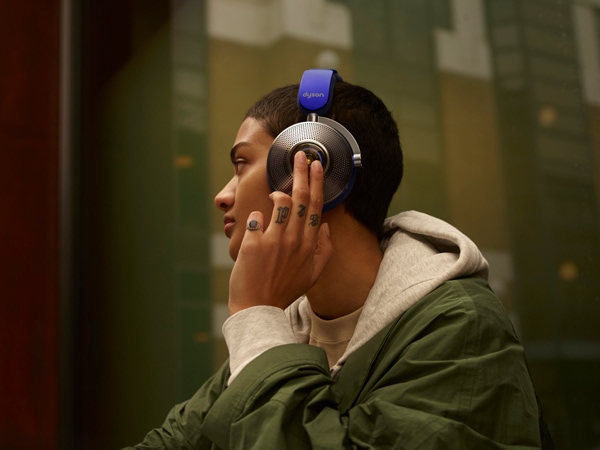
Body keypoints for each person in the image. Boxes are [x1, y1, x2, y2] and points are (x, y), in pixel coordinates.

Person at [124, 71, 551, 449]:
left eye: (241, 164)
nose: (223, 195)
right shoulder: (287, 325)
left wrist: (255, 316)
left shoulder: (460, 327)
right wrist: (262, 323)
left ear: (318, 169)